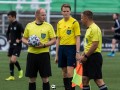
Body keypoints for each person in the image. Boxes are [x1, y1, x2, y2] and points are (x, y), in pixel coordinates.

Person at [22, 8, 56, 90]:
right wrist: (28, 43)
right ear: (37, 15)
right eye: (42, 15)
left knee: (45, 79)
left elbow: (54, 40)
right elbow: (23, 38)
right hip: (32, 55)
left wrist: (44, 45)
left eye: (45, 14)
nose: (44, 16)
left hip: (44, 55)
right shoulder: (29, 25)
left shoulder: (48, 26)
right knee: (32, 79)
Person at [79, 10, 108, 90]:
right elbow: (89, 44)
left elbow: (95, 45)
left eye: (82, 18)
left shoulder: (94, 28)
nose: (81, 20)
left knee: (98, 80)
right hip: (88, 56)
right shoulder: (89, 29)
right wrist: (83, 54)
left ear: (86, 18)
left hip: (94, 57)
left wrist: (85, 56)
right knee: (84, 79)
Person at [55, 4, 81, 90]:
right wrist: (56, 54)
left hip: (71, 49)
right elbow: (58, 39)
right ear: (61, 12)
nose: (66, 13)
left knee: (70, 72)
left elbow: (77, 38)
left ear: (70, 12)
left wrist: (77, 52)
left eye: (67, 11)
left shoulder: (74, 22)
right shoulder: (59, 23)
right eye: (64, 11)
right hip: (62, 48)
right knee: (64, 72)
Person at [6, 11, 24, 81]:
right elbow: (7, 33)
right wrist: (8, 39)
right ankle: (12, 76)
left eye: (9, 17)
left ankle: (20, 70)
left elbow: (25, 33)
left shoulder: (19, 24)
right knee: (10, 61)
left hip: (17, 45)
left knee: (13, 60)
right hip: (11, 45)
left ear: (13, 17)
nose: (8, 18)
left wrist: (20, 40)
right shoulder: (10, 24)